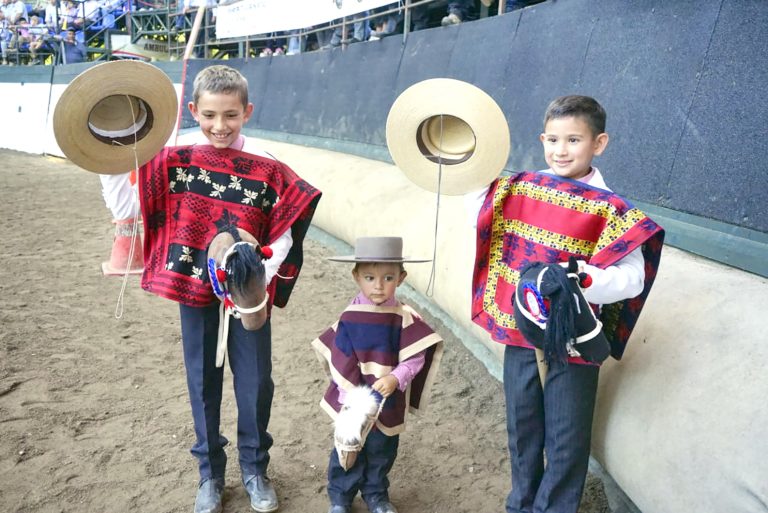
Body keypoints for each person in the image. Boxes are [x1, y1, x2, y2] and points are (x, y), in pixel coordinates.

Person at [97, 65, 322, 513]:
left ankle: (256, 470)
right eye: (210, 115)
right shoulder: (174, 155)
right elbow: (126, 203)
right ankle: (210, 477)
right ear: (194, 111)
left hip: (248, 294)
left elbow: (284, 230)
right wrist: (113, 158)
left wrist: (253, 272)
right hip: (193, 288)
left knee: (256, 382)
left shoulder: (267, 164)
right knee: (203, 383)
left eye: (231, 115)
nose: (220, 126)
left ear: (247, 112)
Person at [466, 95, 664, 513]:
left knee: (566, 437)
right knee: (523, 427)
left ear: (599, 143)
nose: (560, 150)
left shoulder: (613, 210)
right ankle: (520, 504)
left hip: (574, 339)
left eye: (573, 139)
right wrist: (469, 173)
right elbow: (479, 217)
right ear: (541, 139)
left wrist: (583, 278)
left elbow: (631, 278)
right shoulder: (520, 189)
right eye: (553, 139)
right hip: (522, 333)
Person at [312, 237, 444, 513]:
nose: (379, 286)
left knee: (383, 448)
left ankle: (376, 494)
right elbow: (341, 358)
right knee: (347, 447)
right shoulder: (350, 317)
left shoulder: (404, 317)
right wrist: (352, 397)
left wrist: (396, 377)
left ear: (401, 278)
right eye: (370, 277)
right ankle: (340, 497)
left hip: (388, 399)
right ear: (356, 277)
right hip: (354, 400)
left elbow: (416, 354)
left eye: (388, 278)